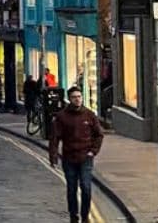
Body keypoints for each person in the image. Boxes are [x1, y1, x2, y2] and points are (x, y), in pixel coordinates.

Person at [49, 86, 104, 223]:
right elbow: (54, 139)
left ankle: (85, 216)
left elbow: (99, 135)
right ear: (70, 99)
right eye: (74, 97)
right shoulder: (62, 117)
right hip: (69, 159)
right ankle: (74, 216)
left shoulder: (90, 115)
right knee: (71, 189)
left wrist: (93, 151)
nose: (77, 99)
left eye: (79, 96)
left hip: (86, 158)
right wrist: (53, 158)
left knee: (86, 188)